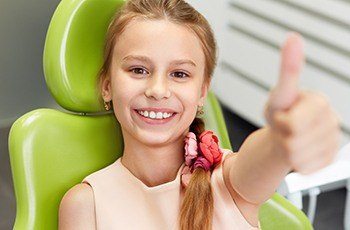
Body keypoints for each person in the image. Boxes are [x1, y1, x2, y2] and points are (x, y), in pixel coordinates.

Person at [58, 0, 341, 229]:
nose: (158, 90)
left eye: (179, 74)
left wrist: (280, 142)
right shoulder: (85, 205)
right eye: (138, 70)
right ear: (107, 86)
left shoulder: (228, 181)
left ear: (202, 92)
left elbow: (260, 162)